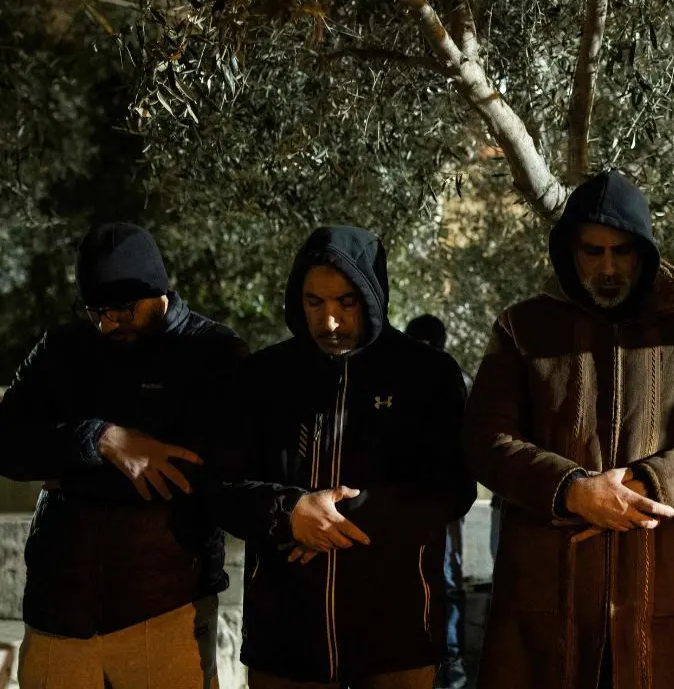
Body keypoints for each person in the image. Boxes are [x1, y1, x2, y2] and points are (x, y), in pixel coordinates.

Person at [464, 169, 674, 689]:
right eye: (592, 251)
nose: (608, 268)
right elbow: (486, 439)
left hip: (662, 595)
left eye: (622, 251)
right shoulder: (524, 328)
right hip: (548, 601)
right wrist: (572, 491)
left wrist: (649, 484)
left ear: (644, 251)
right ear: (569, 251)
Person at [211, 226, 475, 688]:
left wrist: (338, 518)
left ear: (372, 295)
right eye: (315, 303)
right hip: (285, 644)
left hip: (396, 640)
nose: (329, 321)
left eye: (346, 303)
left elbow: (452, 489)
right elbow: (218, 487)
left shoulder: (427, 374)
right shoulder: (262, 377)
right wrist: (287, 512)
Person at [0, 222, 244, 688]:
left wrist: (63, 470)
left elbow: (201, 471)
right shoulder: (61, 349)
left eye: (124, 310)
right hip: (59, 615)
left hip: (165, 611)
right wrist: (100, 441)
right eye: (97, 312)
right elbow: (6, 446)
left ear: (159, 291)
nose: (109, 323)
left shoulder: (212, 352)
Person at [404, 313, 472, 689]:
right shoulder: (398, 381)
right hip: (415, 501)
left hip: (442, 502)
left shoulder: (452, 381)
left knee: (445, 576)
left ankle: (449, 660)